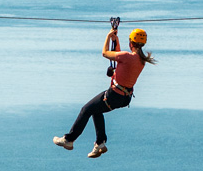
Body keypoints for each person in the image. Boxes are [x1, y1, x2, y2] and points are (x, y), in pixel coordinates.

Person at [54, 25, 155, 158]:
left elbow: (105, 53)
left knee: (86, 110)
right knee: (96, 110)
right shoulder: (141, 60)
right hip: (125, 98)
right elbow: (119, 57)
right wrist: (115, 39)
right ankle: (100, 143)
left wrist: (108, 36)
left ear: (131, 42)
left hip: (114, 95)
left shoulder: (126, 56)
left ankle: (69, 140)